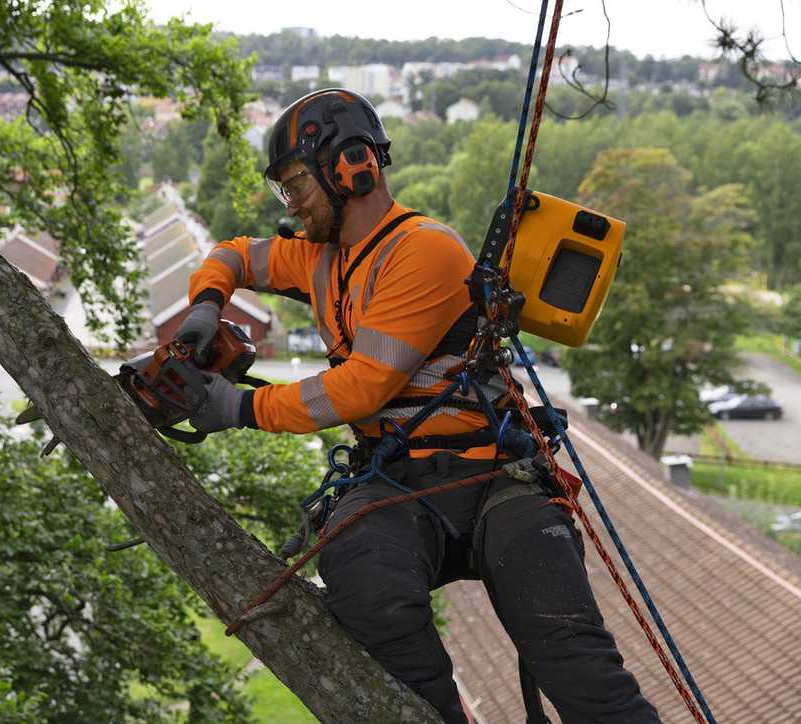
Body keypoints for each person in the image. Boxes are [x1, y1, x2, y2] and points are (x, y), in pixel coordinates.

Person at [175, 88, 659, 723]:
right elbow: (234, 254)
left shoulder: (423, 250)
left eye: (295, 183)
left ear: (350, 165)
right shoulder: (325, 258)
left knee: (573, 655)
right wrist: (207, 303)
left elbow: (360, 388)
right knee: (362, 577)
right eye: (283, 188)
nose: (289, 203)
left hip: (492, 478)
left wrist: (237, 408)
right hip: (398, 482)